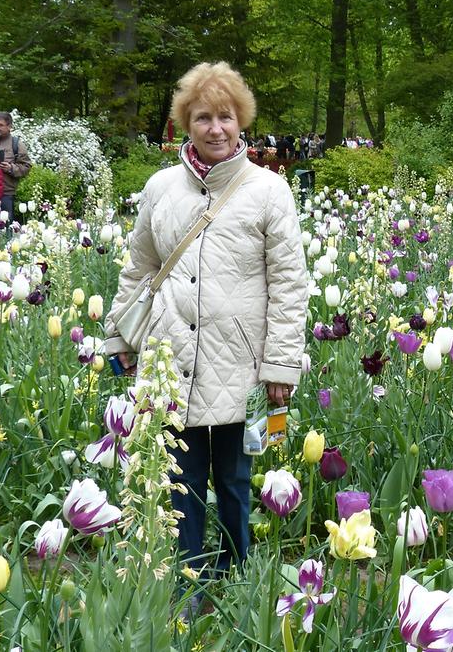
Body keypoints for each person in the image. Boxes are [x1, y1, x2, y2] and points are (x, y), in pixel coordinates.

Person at [103, 62, 309, 594]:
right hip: (171, 358)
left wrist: (281, 365)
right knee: (180, 479)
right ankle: (187, 587)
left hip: (239, 360)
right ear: (185, 124)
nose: (216, 128)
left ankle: (237, 581)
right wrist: (120, 338)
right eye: (202, 118)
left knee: (236, 482)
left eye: (225, 116)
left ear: (241, 120)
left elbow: (289, 283)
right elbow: (140, 266)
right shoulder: (161, 187)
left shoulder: (268, 191)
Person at [0, 112, 32, 224]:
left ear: (9, 127)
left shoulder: (16, 144)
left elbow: (26, 166)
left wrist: (10, 168)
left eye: (0, 125)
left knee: (6, 226)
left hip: (6, 193)